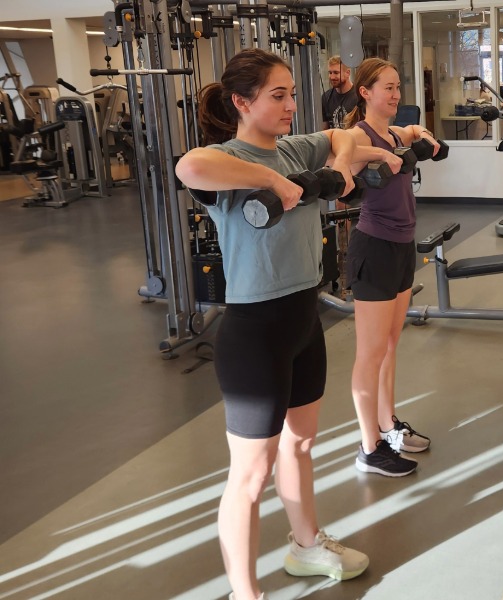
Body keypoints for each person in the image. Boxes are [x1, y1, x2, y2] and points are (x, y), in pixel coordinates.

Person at [175, 48, 368, 600]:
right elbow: (187, 166)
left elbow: (343, 138)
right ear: (242, 101)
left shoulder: (296, 146)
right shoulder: (225, 159)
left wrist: (338, 165)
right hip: (255, 332)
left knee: (301, 445)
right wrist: (272, 181)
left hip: (305, 320)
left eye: (291, 94)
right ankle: (245, 592)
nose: (290, 105)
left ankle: (306, 546)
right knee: (251, 474)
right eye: (277, 95)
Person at [343, 57, 441, 477]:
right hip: (375, 248)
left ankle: (389, 424)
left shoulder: (396, 131)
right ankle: (370, 447)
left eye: (399, 87)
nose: (397, 94)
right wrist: (379, 158)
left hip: (402, 247)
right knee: (369, 354)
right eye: (388, 87)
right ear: (365, 92)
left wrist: (424, 134)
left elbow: (414, 132)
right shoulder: (356, 135)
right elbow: (342, 171)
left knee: (389, 347)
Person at [322, 56, 357, 130]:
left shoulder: (359, 96)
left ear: (347, 73)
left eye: (336, 73)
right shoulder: (326, 97)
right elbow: (324, 129)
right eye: (330, 73)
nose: (332, 77)